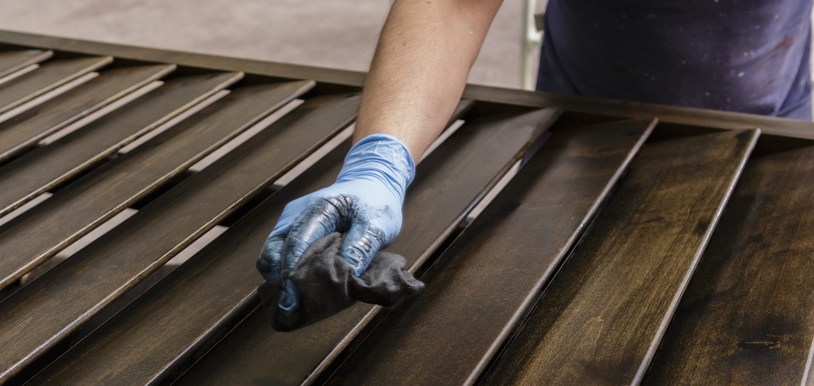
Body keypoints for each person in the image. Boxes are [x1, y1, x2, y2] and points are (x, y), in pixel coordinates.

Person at [256, 0, 813, 314]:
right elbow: (452, 6)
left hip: (772, 123)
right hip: (584, 124)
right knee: (565, 319)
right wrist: (379, 161)